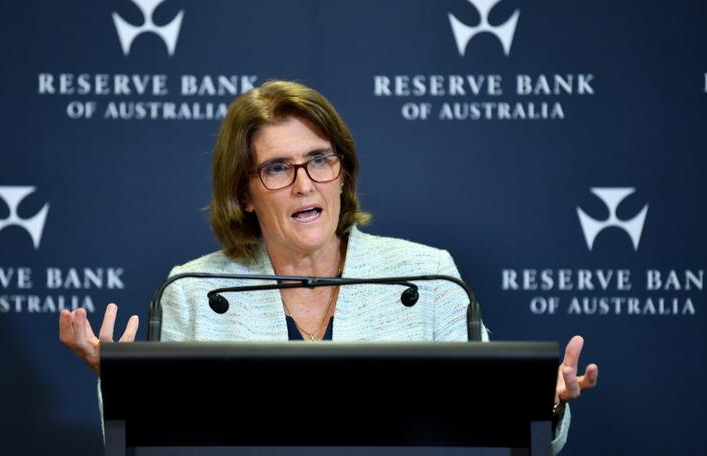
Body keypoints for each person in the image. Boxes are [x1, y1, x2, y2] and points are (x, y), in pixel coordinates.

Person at [59, 80, 598, 453]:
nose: (304, 183)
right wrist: (123, 382)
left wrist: (542, 405)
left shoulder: (429, 275)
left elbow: (498, 425)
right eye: (276, 168)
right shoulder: (193, 291)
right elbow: (153, 439)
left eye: (319, 159)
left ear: (342, 171)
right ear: (244, 194)